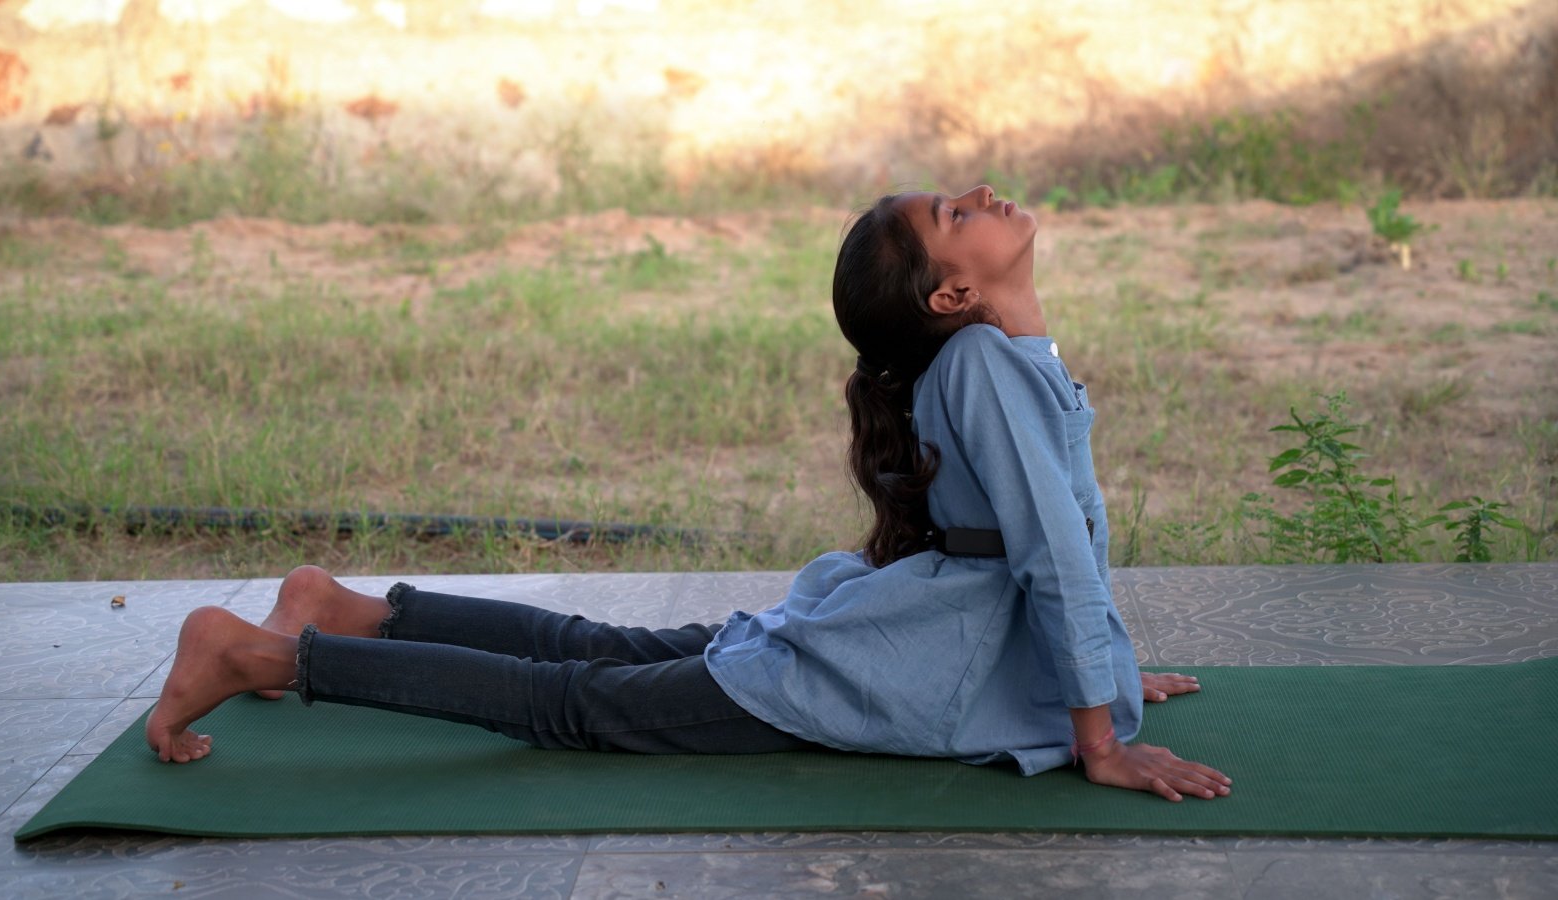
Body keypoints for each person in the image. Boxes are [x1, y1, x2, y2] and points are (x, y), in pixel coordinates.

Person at [147, 185, 1231, 803]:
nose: (981, 193)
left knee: (601, 648)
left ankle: (342, 609)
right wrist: (1099, 738)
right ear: (953, 290)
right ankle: (260, 655)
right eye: (955, 210)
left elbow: (1059, 536)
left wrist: (1099, 668)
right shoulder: (992, 365)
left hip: (906, 635)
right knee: (576, 702)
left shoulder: (998, 357)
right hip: (897, 660)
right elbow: (1051, 551)